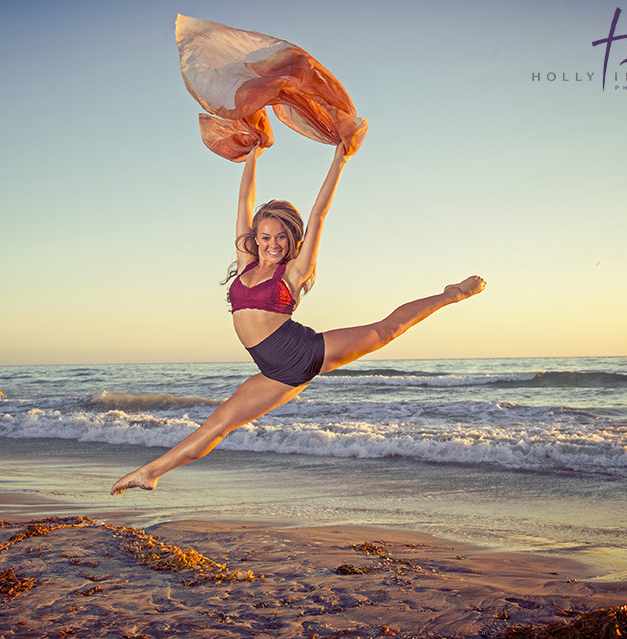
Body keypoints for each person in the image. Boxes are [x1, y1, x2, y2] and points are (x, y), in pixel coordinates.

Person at [111, 144, 485, 495]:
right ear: (255, 238)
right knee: (218, 423)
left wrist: (340, 159)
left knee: (385, 329)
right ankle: (151, 473)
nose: (272, 244)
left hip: (302, 353)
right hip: (272, 371)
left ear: (292, 239)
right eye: (265, 237)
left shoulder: (293, 271)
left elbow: (320, 212)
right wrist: (253, 154)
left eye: (281, 237)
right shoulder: (247, 263)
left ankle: (450, 294)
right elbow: (244, 202)